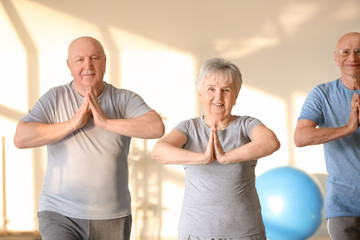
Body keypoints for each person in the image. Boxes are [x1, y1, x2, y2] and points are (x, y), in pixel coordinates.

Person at [13, 36, 165, 240]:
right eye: (80, 60)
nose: (88, 66)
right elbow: (21, 138)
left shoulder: (124, 99)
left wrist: (105, 122)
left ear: (105, 61)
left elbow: (156, 127)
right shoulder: (54, 98)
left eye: (94, 58)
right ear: (69, 65)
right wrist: (73, 123)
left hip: (113, 216)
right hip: (60, 213)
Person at [151, 58, 280, 239]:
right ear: (200, 94)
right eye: (211, 89)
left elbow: (271, 142)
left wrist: (226, 157)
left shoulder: (247, 125)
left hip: (244, 232)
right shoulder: (189, 128)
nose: (218, 97)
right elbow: (159, 151)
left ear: (235, 96)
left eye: (226, 90)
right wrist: (203, 158)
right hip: (196, 233)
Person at [294, 32, 360, 239]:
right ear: (336, 57)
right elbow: (301, 137)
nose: (352, 57)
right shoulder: (322, 94)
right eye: (345, 52)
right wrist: (348, 128)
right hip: (343, 207)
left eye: (359, 51)